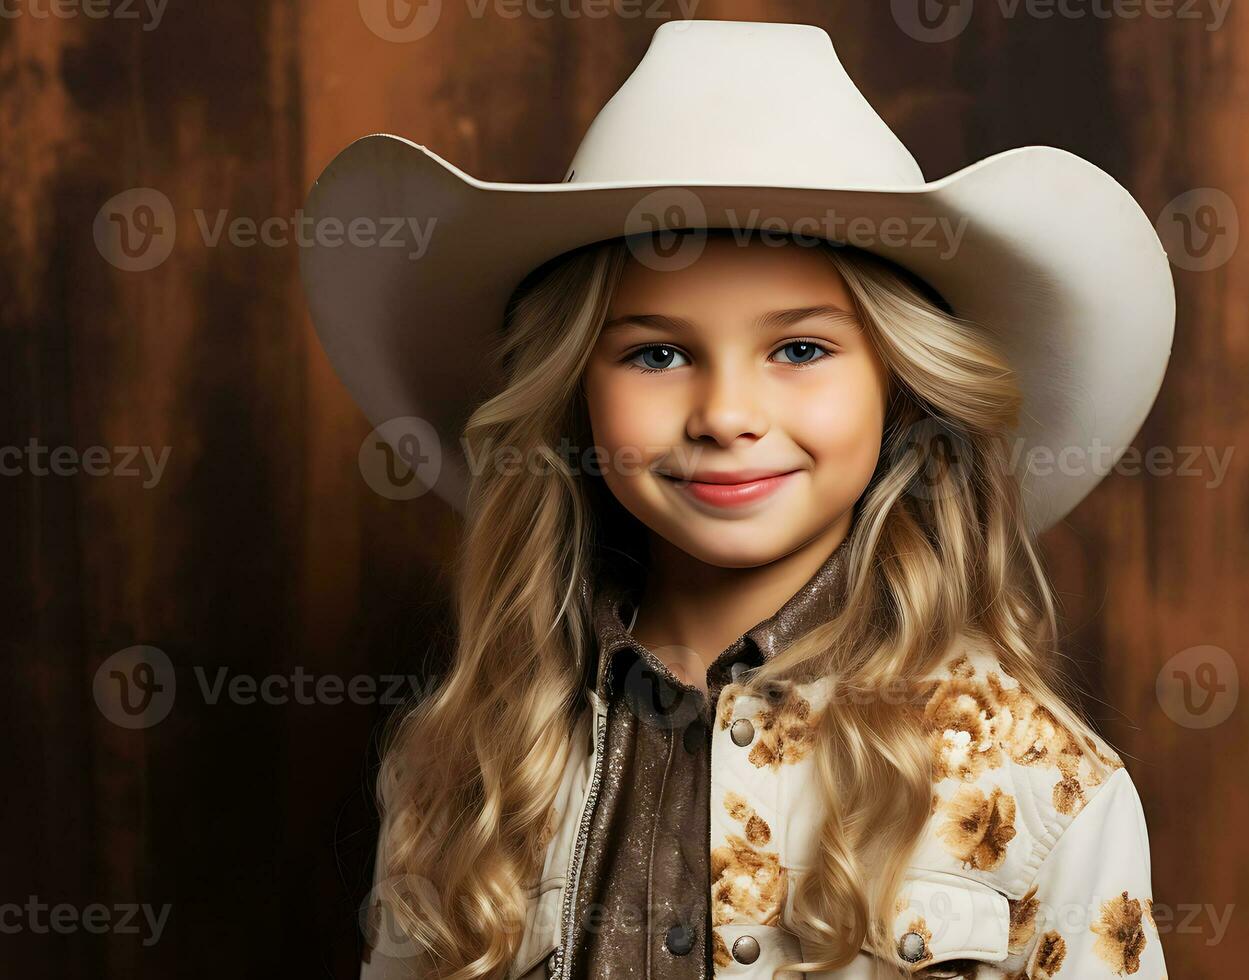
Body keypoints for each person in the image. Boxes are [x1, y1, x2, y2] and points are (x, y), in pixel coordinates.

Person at [300, 20, 1176, 980]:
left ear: (899, 385)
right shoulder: (468, 768)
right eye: (656, 353)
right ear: (573, 394)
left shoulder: (1039, 782)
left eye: (800, 349)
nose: (724, 415)